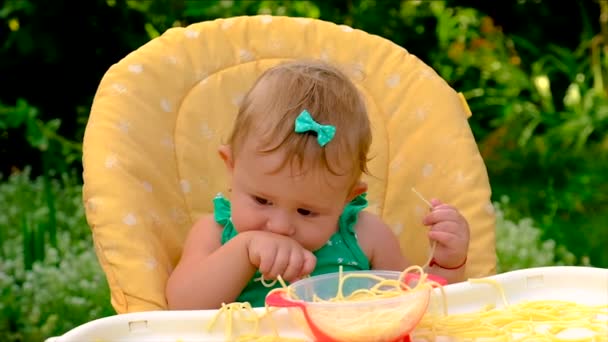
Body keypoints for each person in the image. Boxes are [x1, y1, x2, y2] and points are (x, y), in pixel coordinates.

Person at [165, 60, 470, 310]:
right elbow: (181, 307)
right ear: (231, 166)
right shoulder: (219, 233)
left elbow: (421, 307)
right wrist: (244, 250)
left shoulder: (365, 236)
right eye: (261, 200)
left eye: (306, 211)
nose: (281, 226)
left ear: (348, 198)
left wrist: (448, 265)